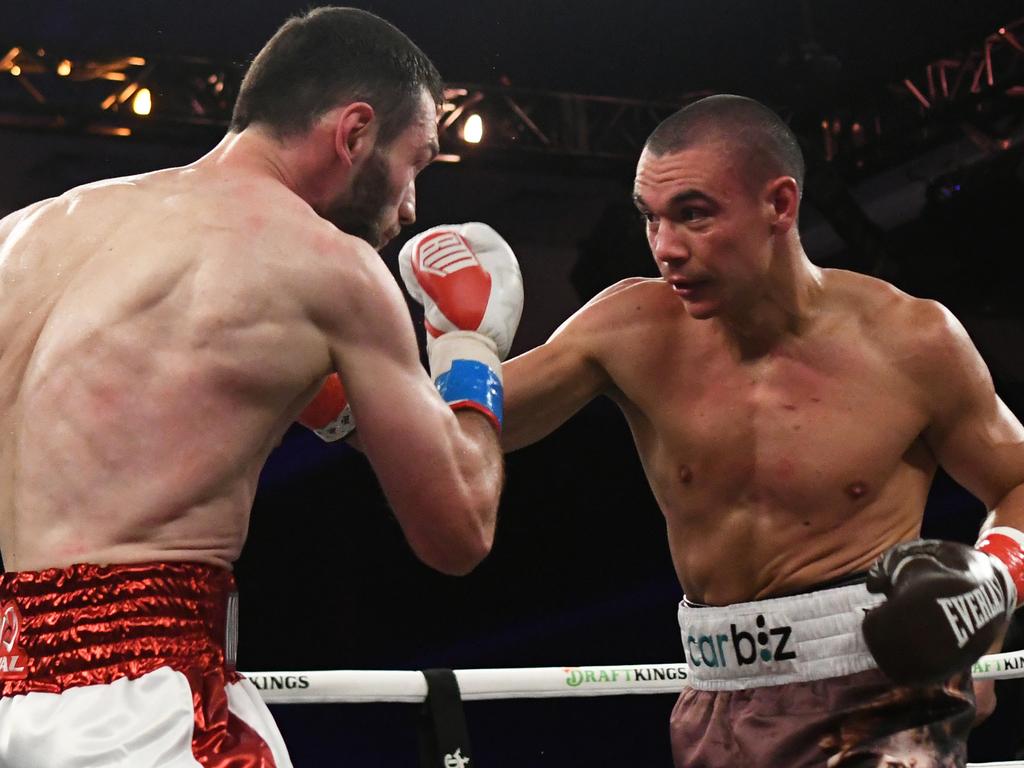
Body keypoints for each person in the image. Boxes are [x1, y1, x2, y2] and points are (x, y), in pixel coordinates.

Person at [0, 7, 522, 768]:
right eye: (418, 163)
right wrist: (472, 350)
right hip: (151, 716)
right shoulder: (326, 266)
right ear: (354, 133)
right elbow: (459, 530)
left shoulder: (24, 235)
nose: (412, 206)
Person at [485, 94, 1024, 767]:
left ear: (780, 204)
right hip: (717, 697)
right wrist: (444, 348)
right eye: (650, 219)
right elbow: (452, 436)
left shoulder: (911, 339)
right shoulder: (626, 331)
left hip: (881, 694)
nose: (666, 248)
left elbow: (1019, 479)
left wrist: (986, 598)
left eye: (693, 214)